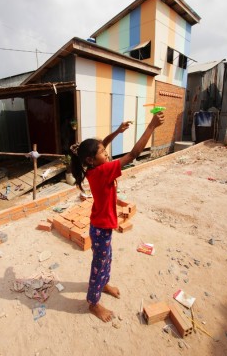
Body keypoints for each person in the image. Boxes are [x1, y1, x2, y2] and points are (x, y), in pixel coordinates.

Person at [70, 112, 165, 322]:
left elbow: (100, 144)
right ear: (91, 159)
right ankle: (93, 303)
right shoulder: (102, 171)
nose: (107, 153)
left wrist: (117, 132)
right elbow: (133, 154)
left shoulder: (95, 167)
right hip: (100, 228)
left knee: (107, 259)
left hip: (102, 226)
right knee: (99, 264)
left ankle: (104, 284)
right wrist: (151, 127)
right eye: (103, 152)